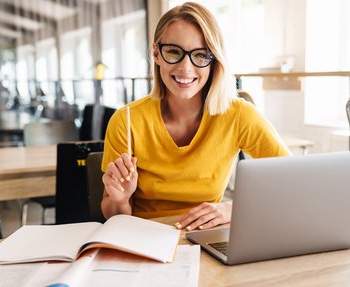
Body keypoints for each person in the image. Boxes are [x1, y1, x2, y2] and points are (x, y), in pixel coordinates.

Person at [101, 2, 290, 231]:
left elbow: (290, 180)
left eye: (200, 55)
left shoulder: (239, 115)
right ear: (156, 54)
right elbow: (114, 215)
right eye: (173, 51)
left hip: (206, 239)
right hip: (143, 239)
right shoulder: (126, 120)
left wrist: (233, 208)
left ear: (213, 61)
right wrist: (120, 200)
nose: (185, 68)